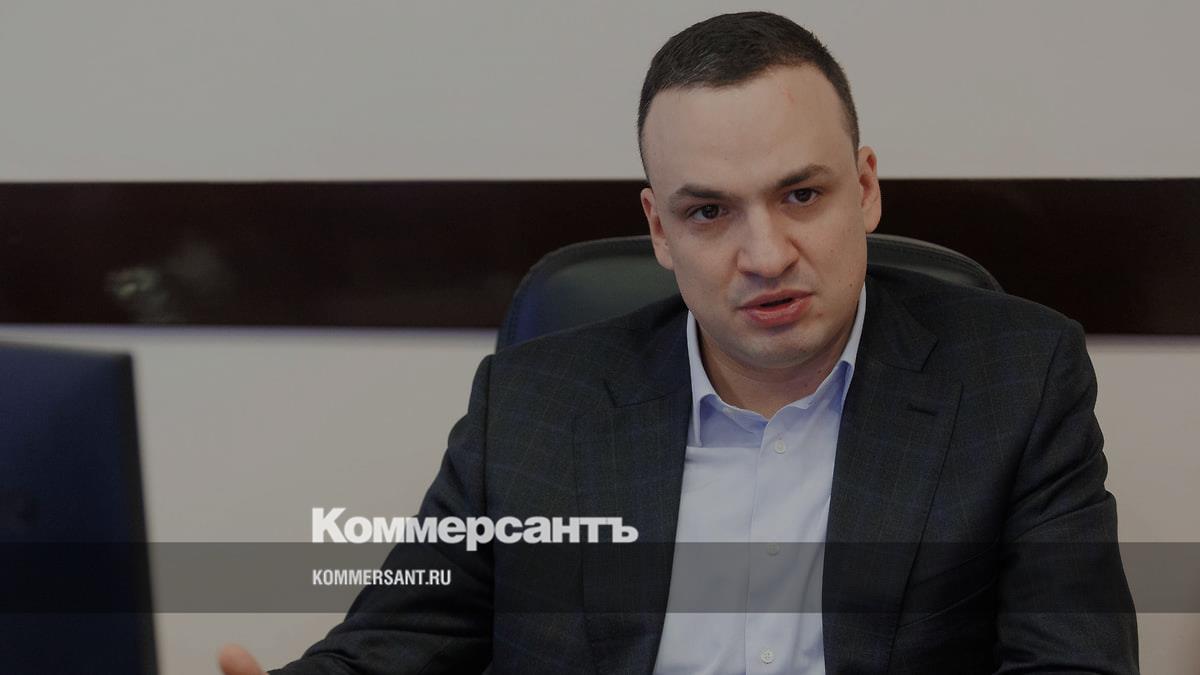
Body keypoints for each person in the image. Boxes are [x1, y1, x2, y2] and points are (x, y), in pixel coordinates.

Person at [221, 11, 1138, 674]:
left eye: (802, 195)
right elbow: (398, 639)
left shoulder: (1017, 381)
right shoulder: (532, 405)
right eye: (709, 212)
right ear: (660, 230)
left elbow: (1074, 661)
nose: (766, 255)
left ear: (865, 188)